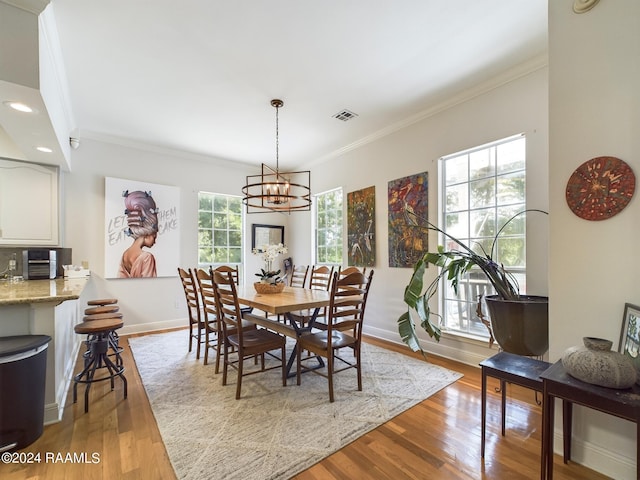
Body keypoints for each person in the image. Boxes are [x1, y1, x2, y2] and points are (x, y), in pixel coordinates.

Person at [118, 190, 159, 278]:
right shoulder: (147, 257)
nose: (155, 241)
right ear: (147, 234)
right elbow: (150, 285)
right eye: (154, 236)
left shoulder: (125, 255)